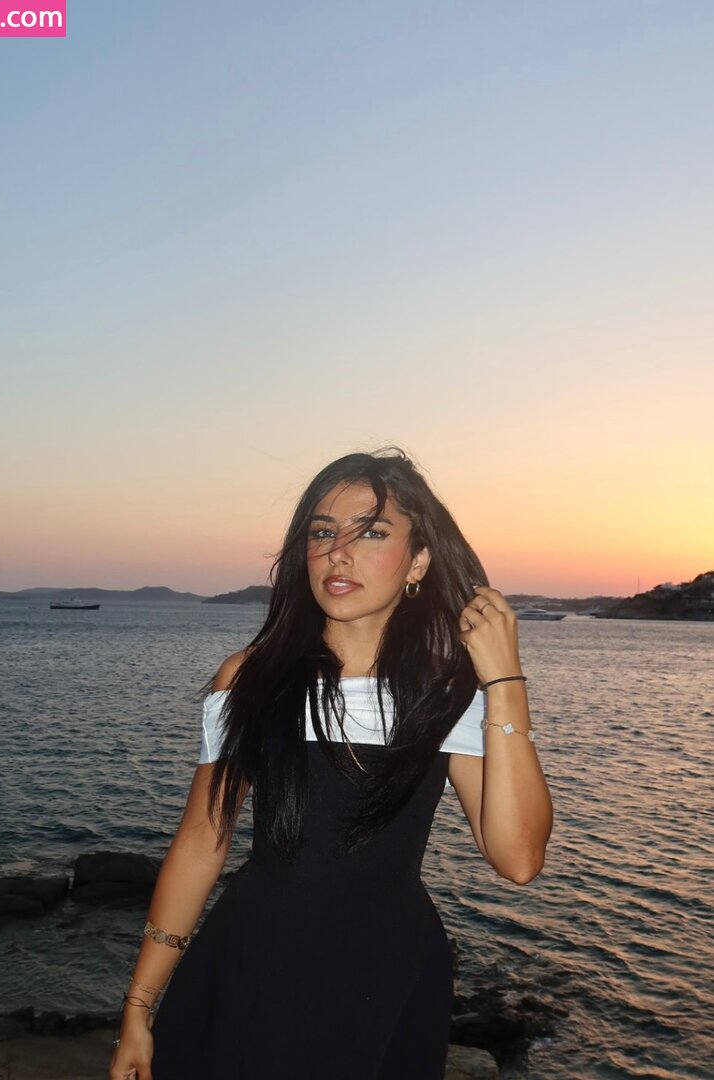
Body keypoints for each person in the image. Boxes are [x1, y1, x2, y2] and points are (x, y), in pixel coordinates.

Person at [109, 449, 553, 1080]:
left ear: (418, 560)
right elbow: (202, 843)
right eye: (323, 533)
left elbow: (518, 858)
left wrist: (504, 681)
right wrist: (138, 1007)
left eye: (371, 533)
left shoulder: (445, 694)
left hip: (385, 980)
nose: (338, 553)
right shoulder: (251, 679)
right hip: (252, 964)